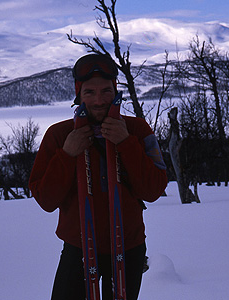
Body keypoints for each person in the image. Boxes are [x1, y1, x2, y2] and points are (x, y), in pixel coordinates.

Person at [29, 53, 167, 300]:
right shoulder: (59, 135)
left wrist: (126, 143)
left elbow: (154, 189)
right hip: (78, 248)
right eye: (89, 92)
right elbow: (45, 200)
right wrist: (67, 154)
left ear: (115, 90)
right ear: (78, 94)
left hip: (128, 247)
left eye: (105, 91)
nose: (99, 100)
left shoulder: (136, 130)